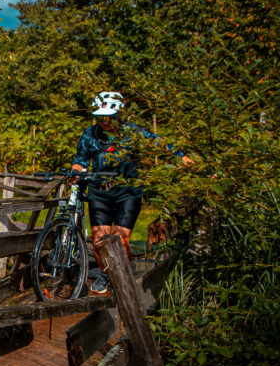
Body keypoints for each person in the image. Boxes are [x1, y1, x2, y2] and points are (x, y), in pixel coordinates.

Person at [71, 91, 194, 293]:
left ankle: (124, 285)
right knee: (99, 244)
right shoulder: (90, 135)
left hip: (127, 193)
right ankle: (109, 276)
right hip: (99, 193)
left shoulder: (132, 132)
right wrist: (76, 171)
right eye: (101, 117)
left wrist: (183, 158)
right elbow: (80, 160)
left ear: (119, 114)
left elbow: (160, 144)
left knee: (121, 242)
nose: (105, 121)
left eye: (109, 117)